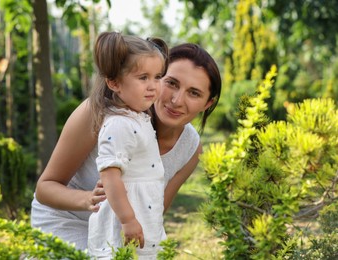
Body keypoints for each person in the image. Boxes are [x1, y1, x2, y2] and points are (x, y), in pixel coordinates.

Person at [31, 40, 221, 251]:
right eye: (171, 83)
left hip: (118, 230)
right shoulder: (99, 113)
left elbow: (154, 213)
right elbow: (45, 189)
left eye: (194, 93)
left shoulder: (190, 148)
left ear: (207, 104)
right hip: (67, 220)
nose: (177, 100)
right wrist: (89, 199)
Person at [84, 31, 168, 259]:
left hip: (143, 215)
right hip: (123, 222)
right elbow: (110, 177)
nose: (153, 86)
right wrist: (128, 220)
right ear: (114, 83)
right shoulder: (118, 124)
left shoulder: (138, 117)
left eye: (157, 76)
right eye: (143, 78)